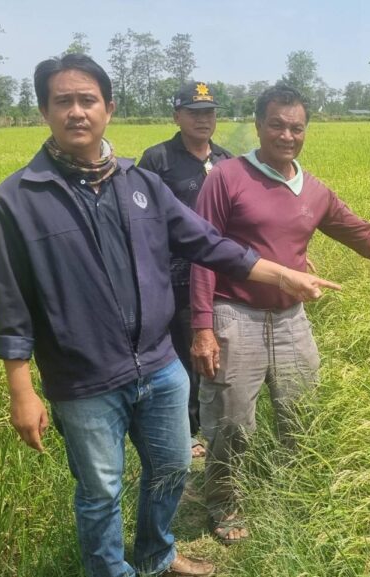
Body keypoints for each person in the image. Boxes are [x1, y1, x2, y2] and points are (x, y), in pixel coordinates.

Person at [0, 56, 338, 577]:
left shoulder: (140, 183)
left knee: (172, 467)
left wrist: (281, 276)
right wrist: (22, 390)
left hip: (160, 364)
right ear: (44, 111)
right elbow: (10, 304)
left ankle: (157, 554)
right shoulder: (16, 201)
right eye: (64, 101)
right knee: (101, 489)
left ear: (109, 108)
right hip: (83, 377)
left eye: (88, 100)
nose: (77, 111)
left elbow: (209, 243)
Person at [190, 84, 370, 545]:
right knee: (231, 421)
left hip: (291, 318)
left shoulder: (313, 190)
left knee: (301, 412)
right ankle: (225, 502)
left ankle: (294, 493)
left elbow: (364, 235)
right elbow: (202, 252)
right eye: (277, 125)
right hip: (234, 313)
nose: (287, 136)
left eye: (296, 128)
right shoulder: (227, 177)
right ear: (258, 125)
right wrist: (202, 326)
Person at [138, 81, 232, 460]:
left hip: (218, 275)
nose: (202, 119)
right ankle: (187, 431)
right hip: (174, 276)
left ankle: (217, 424)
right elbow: (140, 219)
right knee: (182, 354)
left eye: (208, 112)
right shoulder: (157, 159)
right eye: (194, 113)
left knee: (218, 351)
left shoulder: (226, 160)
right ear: (177, 116)